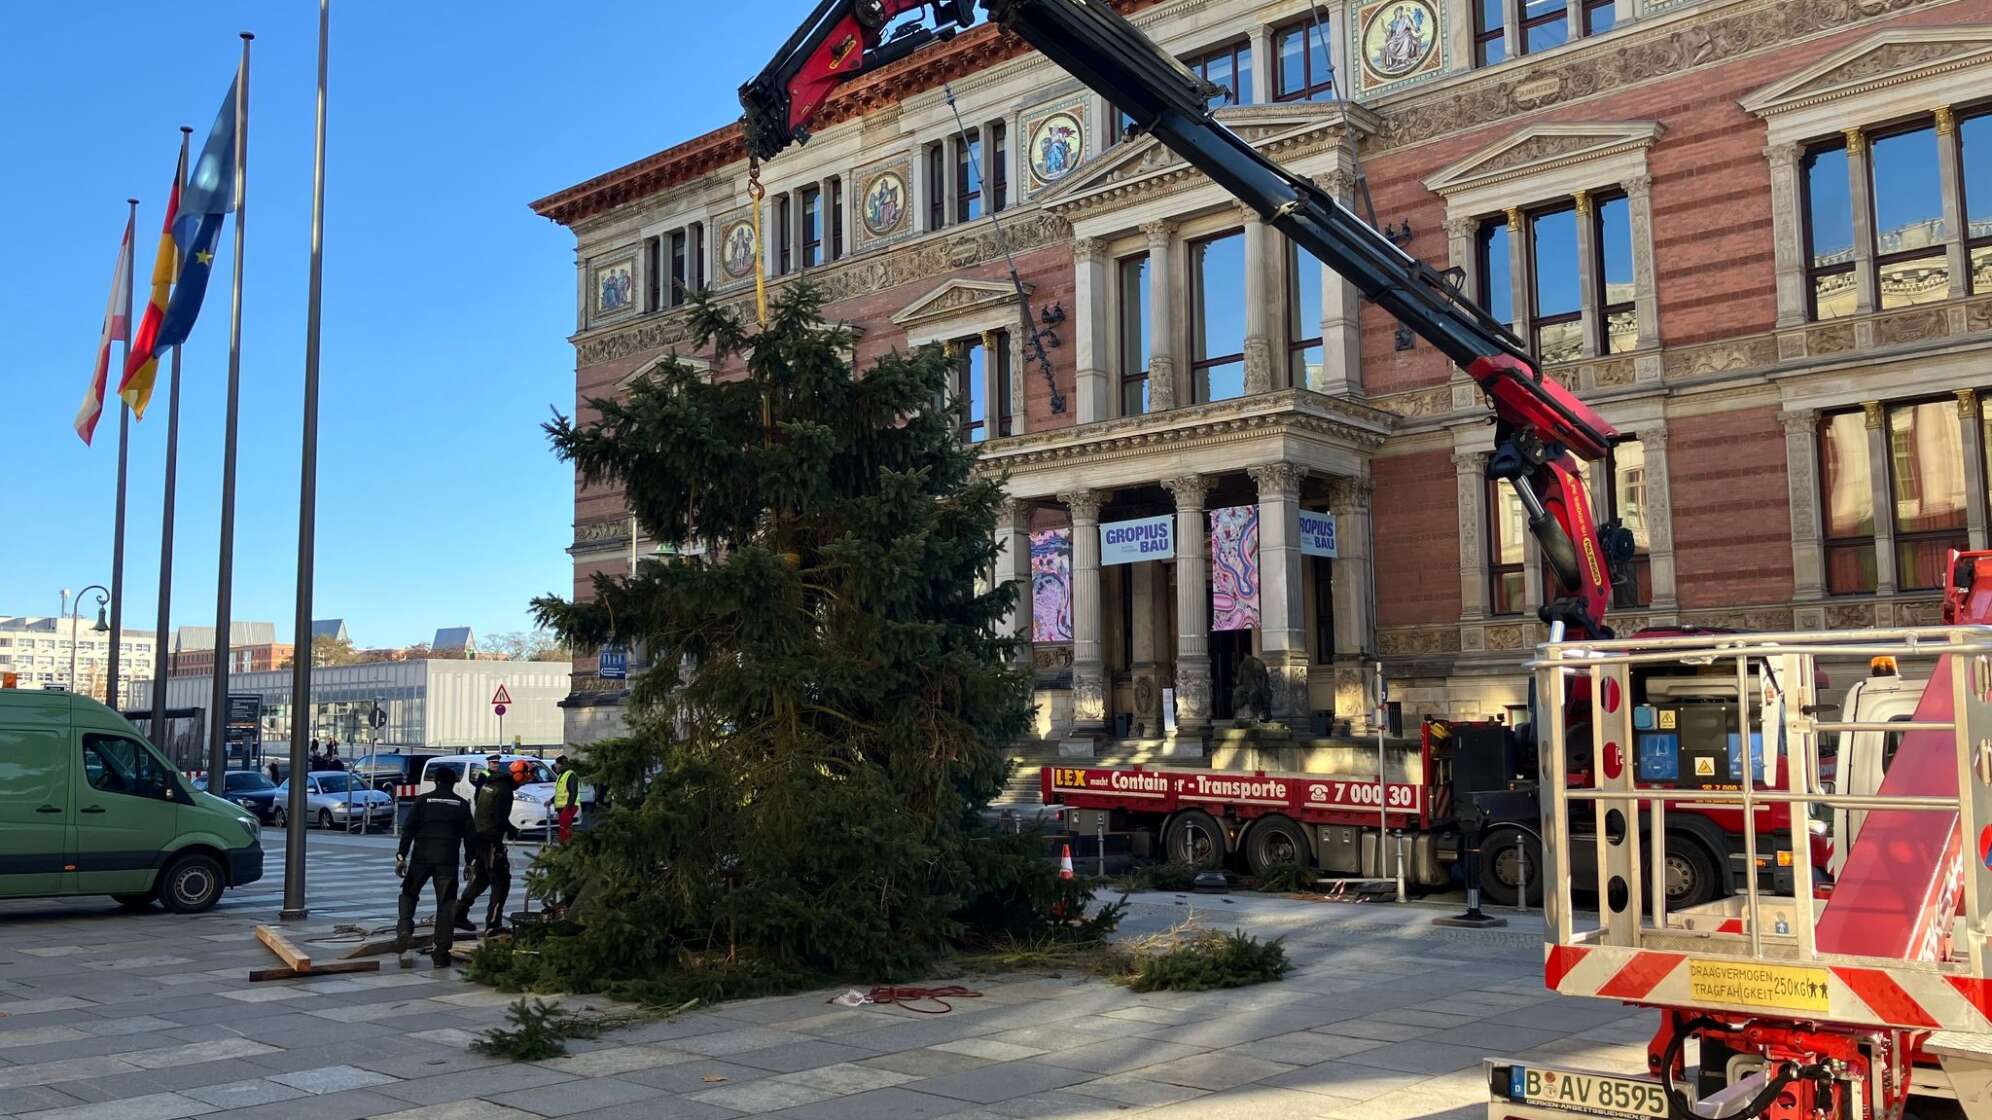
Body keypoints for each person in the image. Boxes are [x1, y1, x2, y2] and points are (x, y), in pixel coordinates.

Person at [395, 764, 474, 968]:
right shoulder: (461, 804)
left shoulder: (422, 801)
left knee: (409, 893)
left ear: (436, 781)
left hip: (421, 858)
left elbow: (408, 829)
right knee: (446, 904)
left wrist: (401, 856)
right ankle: (441, 954)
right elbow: (470, 837)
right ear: (454, 783)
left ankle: (404, 929)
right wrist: (469, 862)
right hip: (447, 861)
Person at [454, 757, 522, 935]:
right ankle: (493, 924)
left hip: (480, 837)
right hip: (491, 840)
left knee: (482, 878)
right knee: (501, 882)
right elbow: (499, 816)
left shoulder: (490, 783)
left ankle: (458, 912)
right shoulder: (504, 789)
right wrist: (511, 829)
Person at [552, 755, 579, 844]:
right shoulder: (561, 775)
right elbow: (560, 792)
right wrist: (551, 800)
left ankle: (566, 845)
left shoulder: (570, 775)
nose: (555, 765)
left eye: (556, 763)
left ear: (561, 765)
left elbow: (573, 793)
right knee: (564, 826)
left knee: (564, 827)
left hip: (568, 806)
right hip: (563, 806)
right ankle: (565, 844)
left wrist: (568, 807)